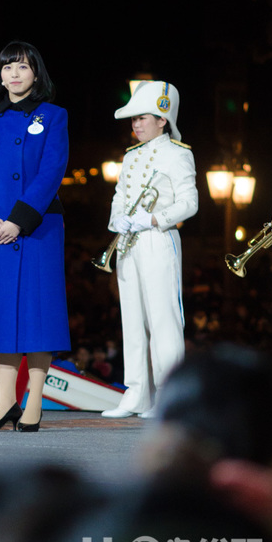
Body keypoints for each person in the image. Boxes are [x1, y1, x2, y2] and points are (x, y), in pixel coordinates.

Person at [0, 40, 71, 431]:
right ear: (0, 76)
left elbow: (52, 171)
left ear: (36, 74)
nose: (14, 74)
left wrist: (18, 221)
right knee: (0, 317)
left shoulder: (53, 115)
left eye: (22, 67)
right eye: (8, 68)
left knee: (38, 317)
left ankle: (33, 401)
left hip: (37, 229)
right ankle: (6, 403)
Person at [101, 80, 198, 419]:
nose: (136, 124)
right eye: (134, 119)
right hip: (130, 242)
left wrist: (154, 218)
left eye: (144, 117)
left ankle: (170, 397)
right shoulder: (130, 157)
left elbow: (190, 202)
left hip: (159, 239)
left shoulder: (178, 153)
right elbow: (118, 197)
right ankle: (136, 392)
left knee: (163, 320)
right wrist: (120, 221)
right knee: (132, 319)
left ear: (163, 119)